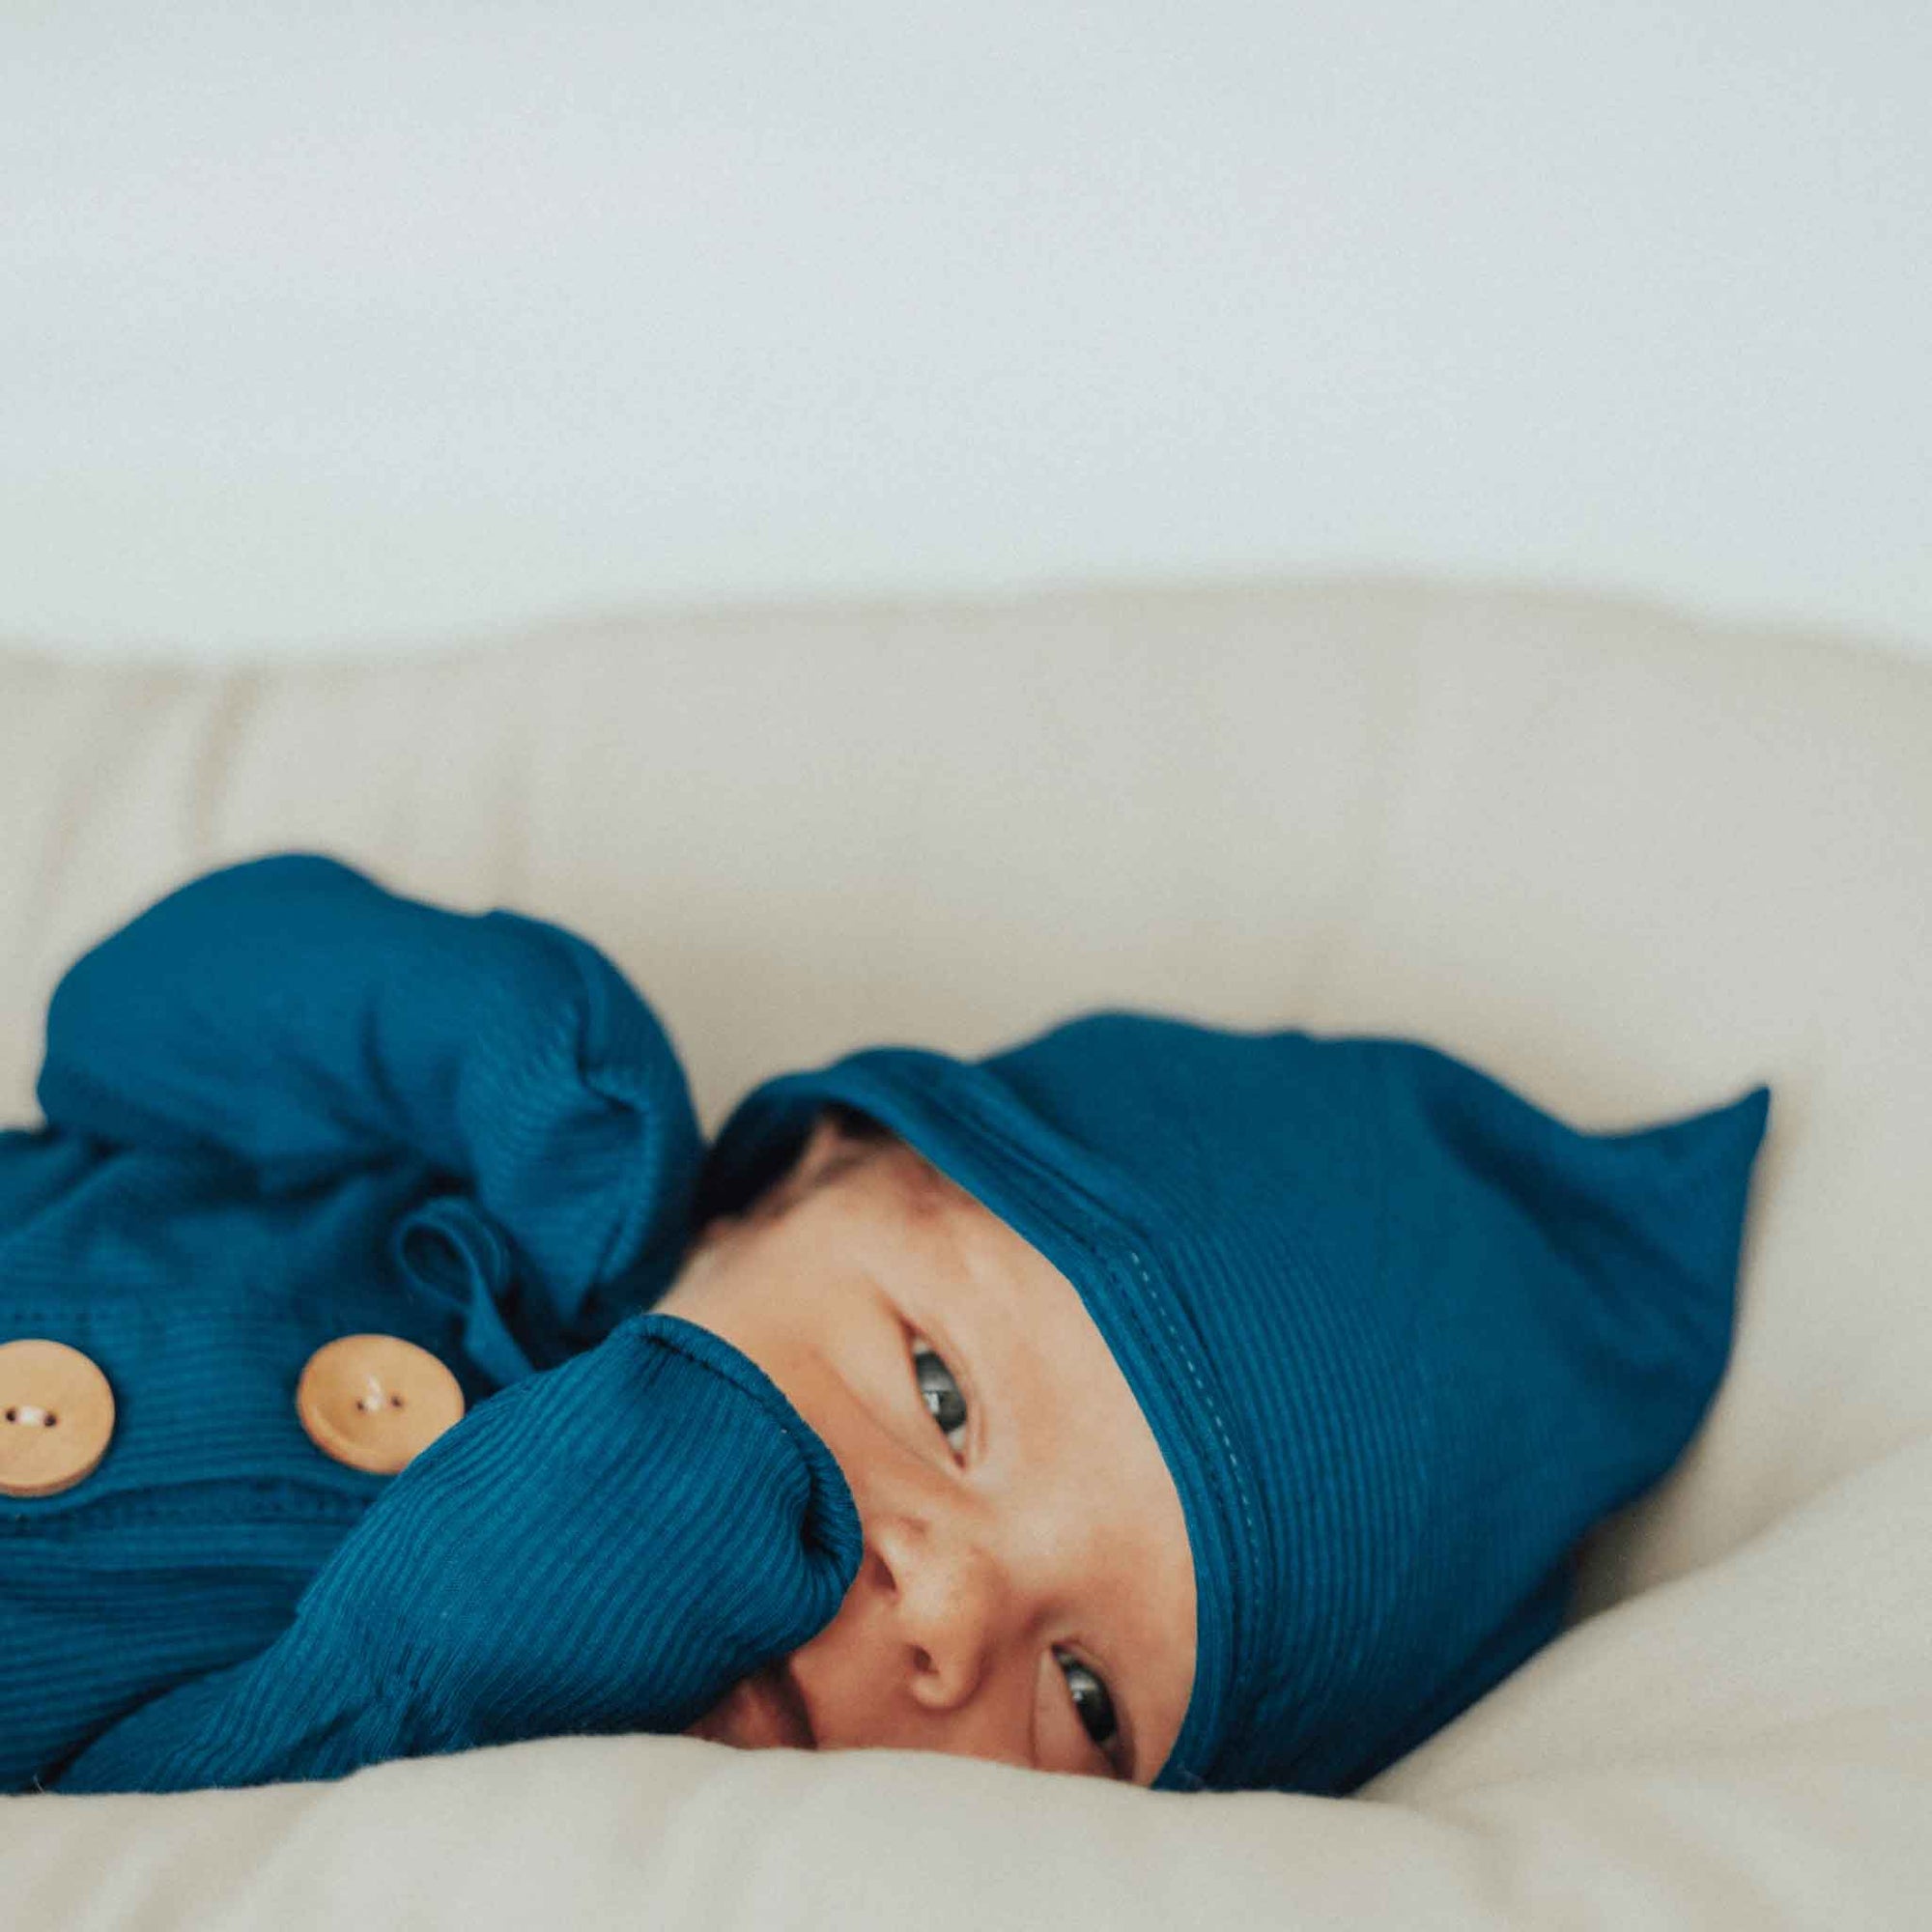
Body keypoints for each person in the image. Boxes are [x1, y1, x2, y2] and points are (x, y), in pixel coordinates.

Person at [0, 852, 1772, 1797]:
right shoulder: (469, 1195)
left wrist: (446, 1662)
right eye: (937, 1386)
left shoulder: (525, 1788)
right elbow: (113, 1037)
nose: (951, 1605)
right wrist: (497, 1038)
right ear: (791, 1179)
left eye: (1089, 1699)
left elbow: (165, 1847)